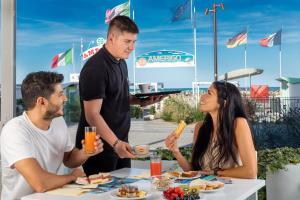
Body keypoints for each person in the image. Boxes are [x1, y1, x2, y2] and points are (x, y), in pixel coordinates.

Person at [76, 15, 164, 175]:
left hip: (121, 144)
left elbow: (119, 96)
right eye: (127, 41)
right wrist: (115, 143)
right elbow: (92, 115)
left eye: (134, 42)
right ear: (111, 38)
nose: (132, 47)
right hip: (99, 149)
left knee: (125, 194)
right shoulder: (95, 68)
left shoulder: (121, 62)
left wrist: (141, 101)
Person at [1, 71, 103, 200]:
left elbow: (69, 159)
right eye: (60, 94)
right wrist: (73, 177)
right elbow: (40, 183)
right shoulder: (14, 130)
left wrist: (85, 152)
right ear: (42, 102)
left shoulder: (58, 122)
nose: (65, 98)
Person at [165, 81, 257, 179]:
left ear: (223, 102)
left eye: (209, 93)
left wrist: (215, 172)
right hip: (206, 190)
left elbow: (250, 172)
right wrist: (176, 151)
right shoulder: (200, 127)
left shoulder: (238, 124)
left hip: (234, 190)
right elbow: (193, 171)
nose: (202, 96)